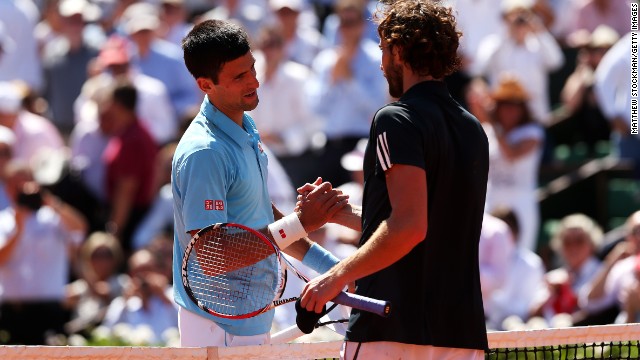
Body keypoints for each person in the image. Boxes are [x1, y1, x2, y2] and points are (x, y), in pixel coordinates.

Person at [298, 1, 489, 358]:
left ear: (399, 51)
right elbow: (430, 225)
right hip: (461, 336)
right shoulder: (473, 129)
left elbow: (409, 227)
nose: (382, 63)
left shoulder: (395, 119)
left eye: (384, 50)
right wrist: (346, 214)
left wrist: (336, 275)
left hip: (391, 333)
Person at [173, 19, 349, 347]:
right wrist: (301, 222)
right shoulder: (204, 153)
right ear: (205, 85)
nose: (254, 81)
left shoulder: (246, 126)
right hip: (217, 326)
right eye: (239, 76)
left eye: (252, 68)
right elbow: (211, 259)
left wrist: (334, 268)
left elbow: (258, 215)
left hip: (250, 315)